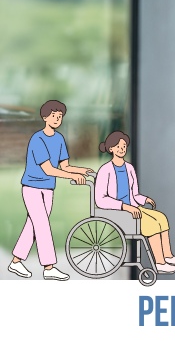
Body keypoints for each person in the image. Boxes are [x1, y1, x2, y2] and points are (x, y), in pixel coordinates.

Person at [8, 100, 93, 281]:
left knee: (33, 224)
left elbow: (65, 166)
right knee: (42, 225)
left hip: (48, 189)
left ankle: (15, 262)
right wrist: (71, 177)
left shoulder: (59, 139)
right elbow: (49, 170)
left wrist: (81, 171)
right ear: (45, 117)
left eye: (60, 116)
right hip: (32, 187)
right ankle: (49, 267)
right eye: (54, 115)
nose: (57, 119)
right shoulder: (37, 139)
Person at [95, 131, 175, 273]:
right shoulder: (105, 170)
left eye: (124, 146)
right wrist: (125, 207)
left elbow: (134, 194)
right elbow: (100, 200)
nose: (122, 148)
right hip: (118, 211)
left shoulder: (129, 168)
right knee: (152, 225)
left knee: (161, 218)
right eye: (118, 146)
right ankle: (159, 263)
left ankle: (167, 256)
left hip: (133, 208)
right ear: (111, 148)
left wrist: (145, 199)